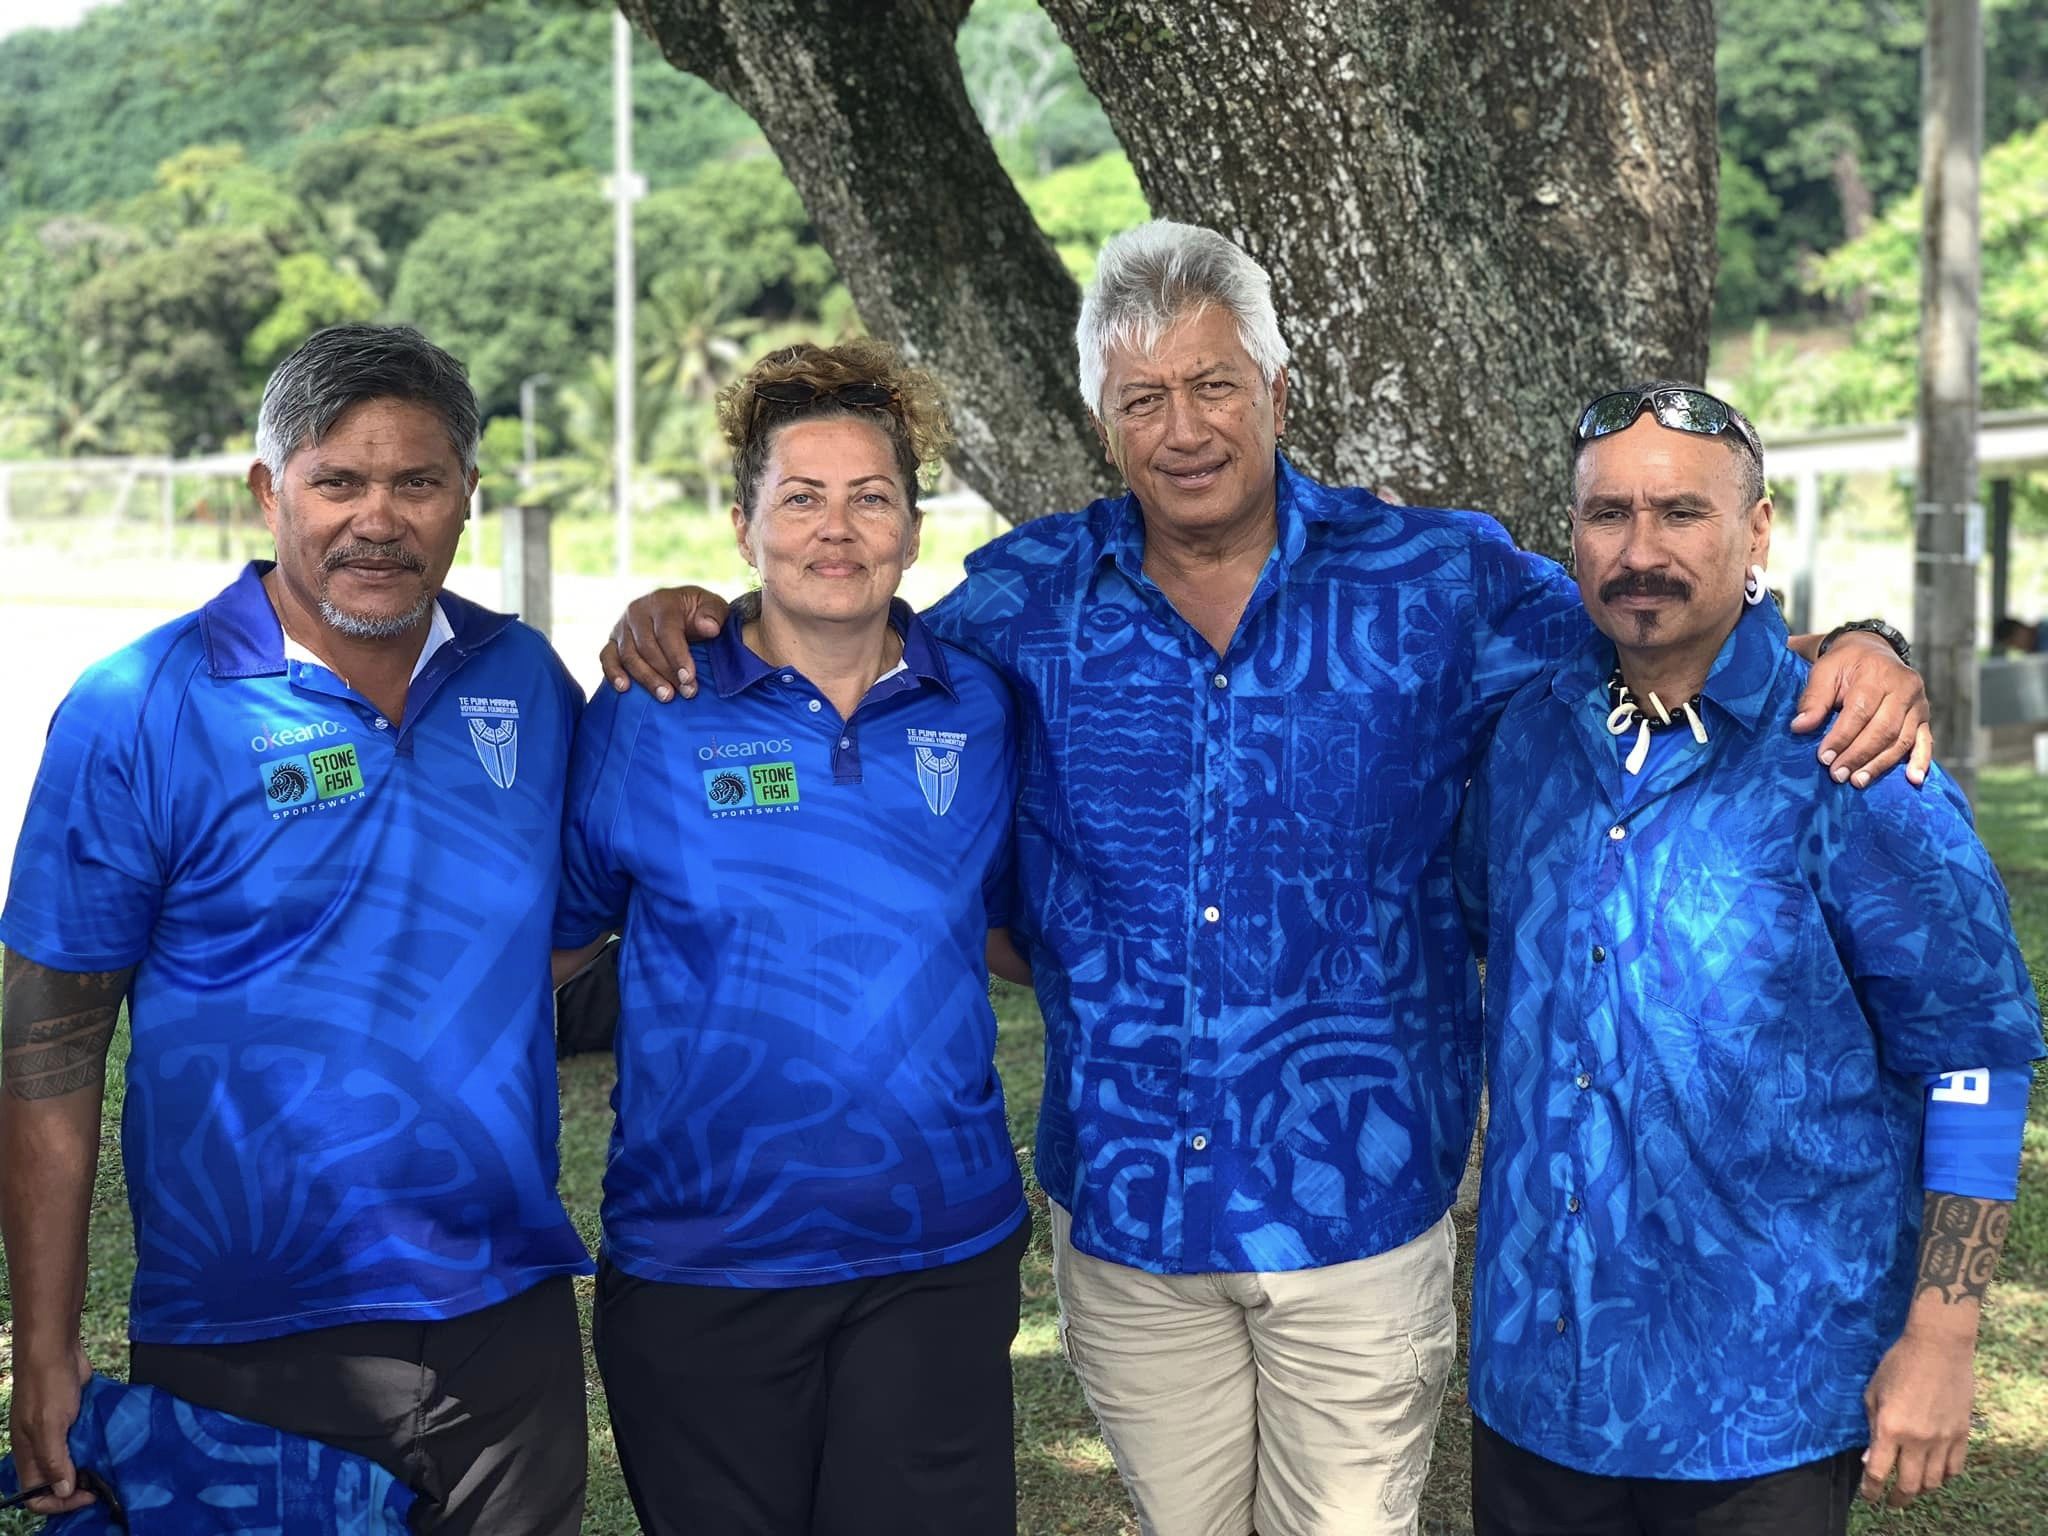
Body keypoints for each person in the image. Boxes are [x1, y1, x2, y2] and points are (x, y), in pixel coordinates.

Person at [600, 225, 1933, 1536]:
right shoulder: (1023, 605)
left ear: (1279, 390)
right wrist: (691, 615)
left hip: (1359, 1207)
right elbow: (844, 645)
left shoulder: (1437, 579)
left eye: (1213, 384)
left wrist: (1855, 639)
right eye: (1145, 399)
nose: (1184, 427)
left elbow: (1652, 619)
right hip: (1130, 1218)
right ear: (1103, 422)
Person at [0, 324, 592, 1532]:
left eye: (417, 481)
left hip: (504, 1314)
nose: (379, 519)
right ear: (268, 492)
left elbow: (565, 929)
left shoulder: (525, 682)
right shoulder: (139, 707)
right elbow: (45, 1051)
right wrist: (45, 1346)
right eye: (339, 481)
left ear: (467, 497)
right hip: (245, 1329)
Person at [1456, 385, 2043, 1535]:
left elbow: (1972, 1058)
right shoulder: (1525, 739)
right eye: (1606, 514)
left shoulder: (1851, 756)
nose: (1638, 552)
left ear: (1756, 532)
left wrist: (1939, 1336)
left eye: (1680, 513)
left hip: (1758, 1402)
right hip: (1533, 1383)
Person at [553, 340, 1029, 1536]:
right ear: (740, 525)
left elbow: (1015, 928)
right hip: (703, 1262)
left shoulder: (978, 704)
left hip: (935, 1253)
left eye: (870, 498)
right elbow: (557, 949)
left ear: (914, 532)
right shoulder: (648, 705)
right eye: (799, 498)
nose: (836, 528)